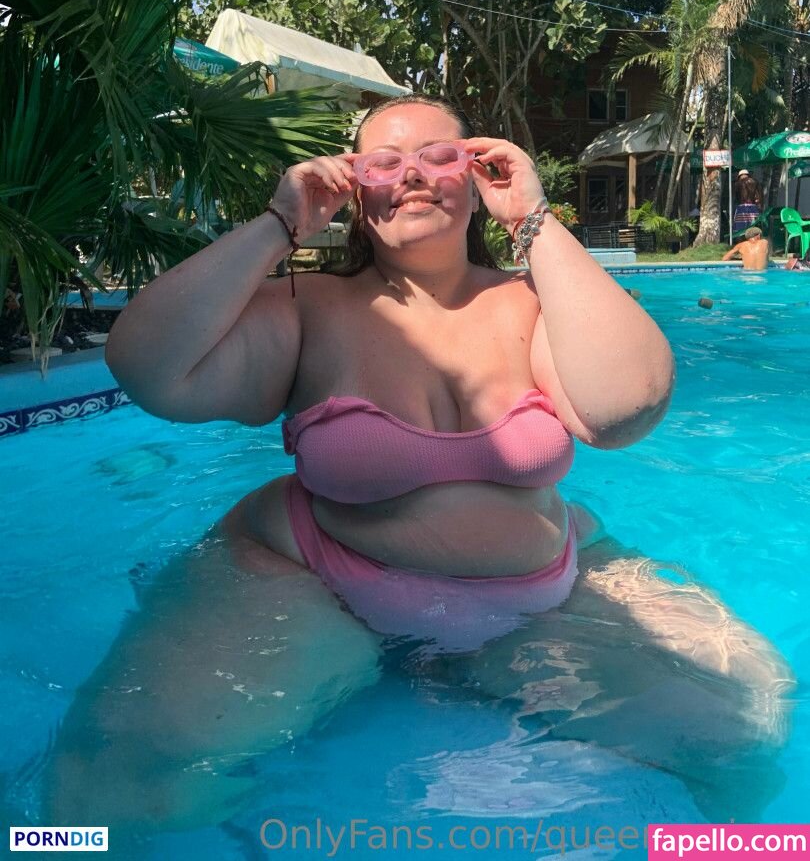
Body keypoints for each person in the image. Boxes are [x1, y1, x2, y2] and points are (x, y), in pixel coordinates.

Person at [45, 95, 792, 830]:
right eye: (382, 163)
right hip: (316, 579)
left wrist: (531, 218)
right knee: (115, 791)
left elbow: (626, 408)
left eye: (438, 157)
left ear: (476, 176)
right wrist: (281, 224)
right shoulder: (308, 307)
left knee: (745, 736)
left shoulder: (532, 302)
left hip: (542, 589)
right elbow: (148, 368)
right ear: (354, 190)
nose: (411, 175)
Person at [732, 169, 763, 235]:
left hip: (741, 209)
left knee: (740, 231)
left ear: (739, 176)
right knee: (753, 230)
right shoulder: (754, 182)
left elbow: (736, 197)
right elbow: (758, 198)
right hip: (753, 208)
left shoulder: (737, 184)